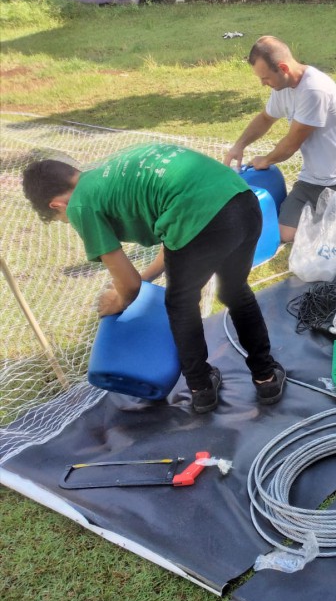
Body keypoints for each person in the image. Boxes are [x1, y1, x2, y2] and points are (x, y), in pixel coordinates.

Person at [22, 143, 287, 414]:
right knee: (234, 291)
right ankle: (266, 377)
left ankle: (201, 388)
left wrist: (118, 300)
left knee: (180, 304)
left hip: (200, 217)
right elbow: (172, 240)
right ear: (74, 171)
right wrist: (145, 277)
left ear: (56, 205)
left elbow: (130, 285)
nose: (68, 220)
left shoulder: (80, 205)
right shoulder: (110, 174)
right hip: (243, 201)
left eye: (60, 218)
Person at [224, 35, 336, 254]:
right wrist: (239, 145)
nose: (263, 83)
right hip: (311, 178)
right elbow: (265, 118)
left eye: (266, 78)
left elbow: (291, 143)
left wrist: (265, 160)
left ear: (284, 68)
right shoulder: (282, 87)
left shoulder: (315, 90)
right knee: (285, 233)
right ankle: (330, 215)